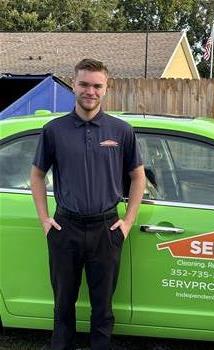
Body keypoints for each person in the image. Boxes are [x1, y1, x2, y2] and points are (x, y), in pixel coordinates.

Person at [30, 58, 146, 350]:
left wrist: (128, 222)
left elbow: (138, 178)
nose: (90, 91)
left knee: (103, 307)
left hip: (106, 229)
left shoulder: (121, 131)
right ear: (73, 84)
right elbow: (36, 175)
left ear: (106, 89)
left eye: (97, 86)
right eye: (84, 84)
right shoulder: (54, 130)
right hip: (64, 227)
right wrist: (45, 220)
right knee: (62, 305)